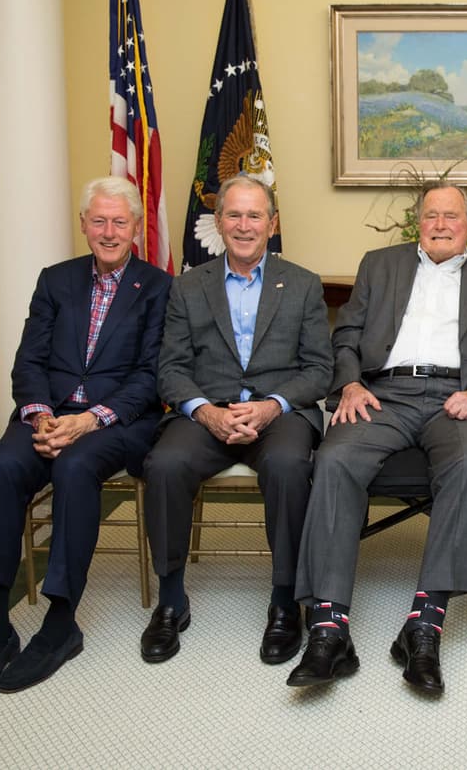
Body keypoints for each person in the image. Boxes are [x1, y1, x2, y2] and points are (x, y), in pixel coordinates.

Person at [287, 181, 467, 695]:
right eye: (431, 216)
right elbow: (346, 336)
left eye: (451, 217)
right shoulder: (380, 265)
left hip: (457, 397)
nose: (441, 225)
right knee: (333, 460)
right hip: (382, 394)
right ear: (417, 222)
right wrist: (350, 383)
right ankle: (329, 628)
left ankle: (425, 624)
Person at [0, 176, 172, 698]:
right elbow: (29, 359)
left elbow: (151, 376)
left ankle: (61, 623)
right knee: (4, 465)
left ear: (137, 229)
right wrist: (39, 416)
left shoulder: (159, 287)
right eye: (98, 220)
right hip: (46, 415)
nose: (108, 231)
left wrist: (89, 419)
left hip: (118, 421)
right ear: (83, 225)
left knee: (76, 468)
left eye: (119, 222)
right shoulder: (55, 281)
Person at [139, 175, 331, 665]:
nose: (244, 225)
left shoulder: (304, 284)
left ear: (272, 223)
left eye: (255, 215)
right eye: (234, 215)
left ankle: (286, 600)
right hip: (207, 410)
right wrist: (205, 412)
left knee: (290, 466)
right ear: (219, 222)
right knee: (163, 465)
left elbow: (319, 369)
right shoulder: (187, 286)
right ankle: (171, 597)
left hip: (279, 411)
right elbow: (172, 368)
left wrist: (270, 407)